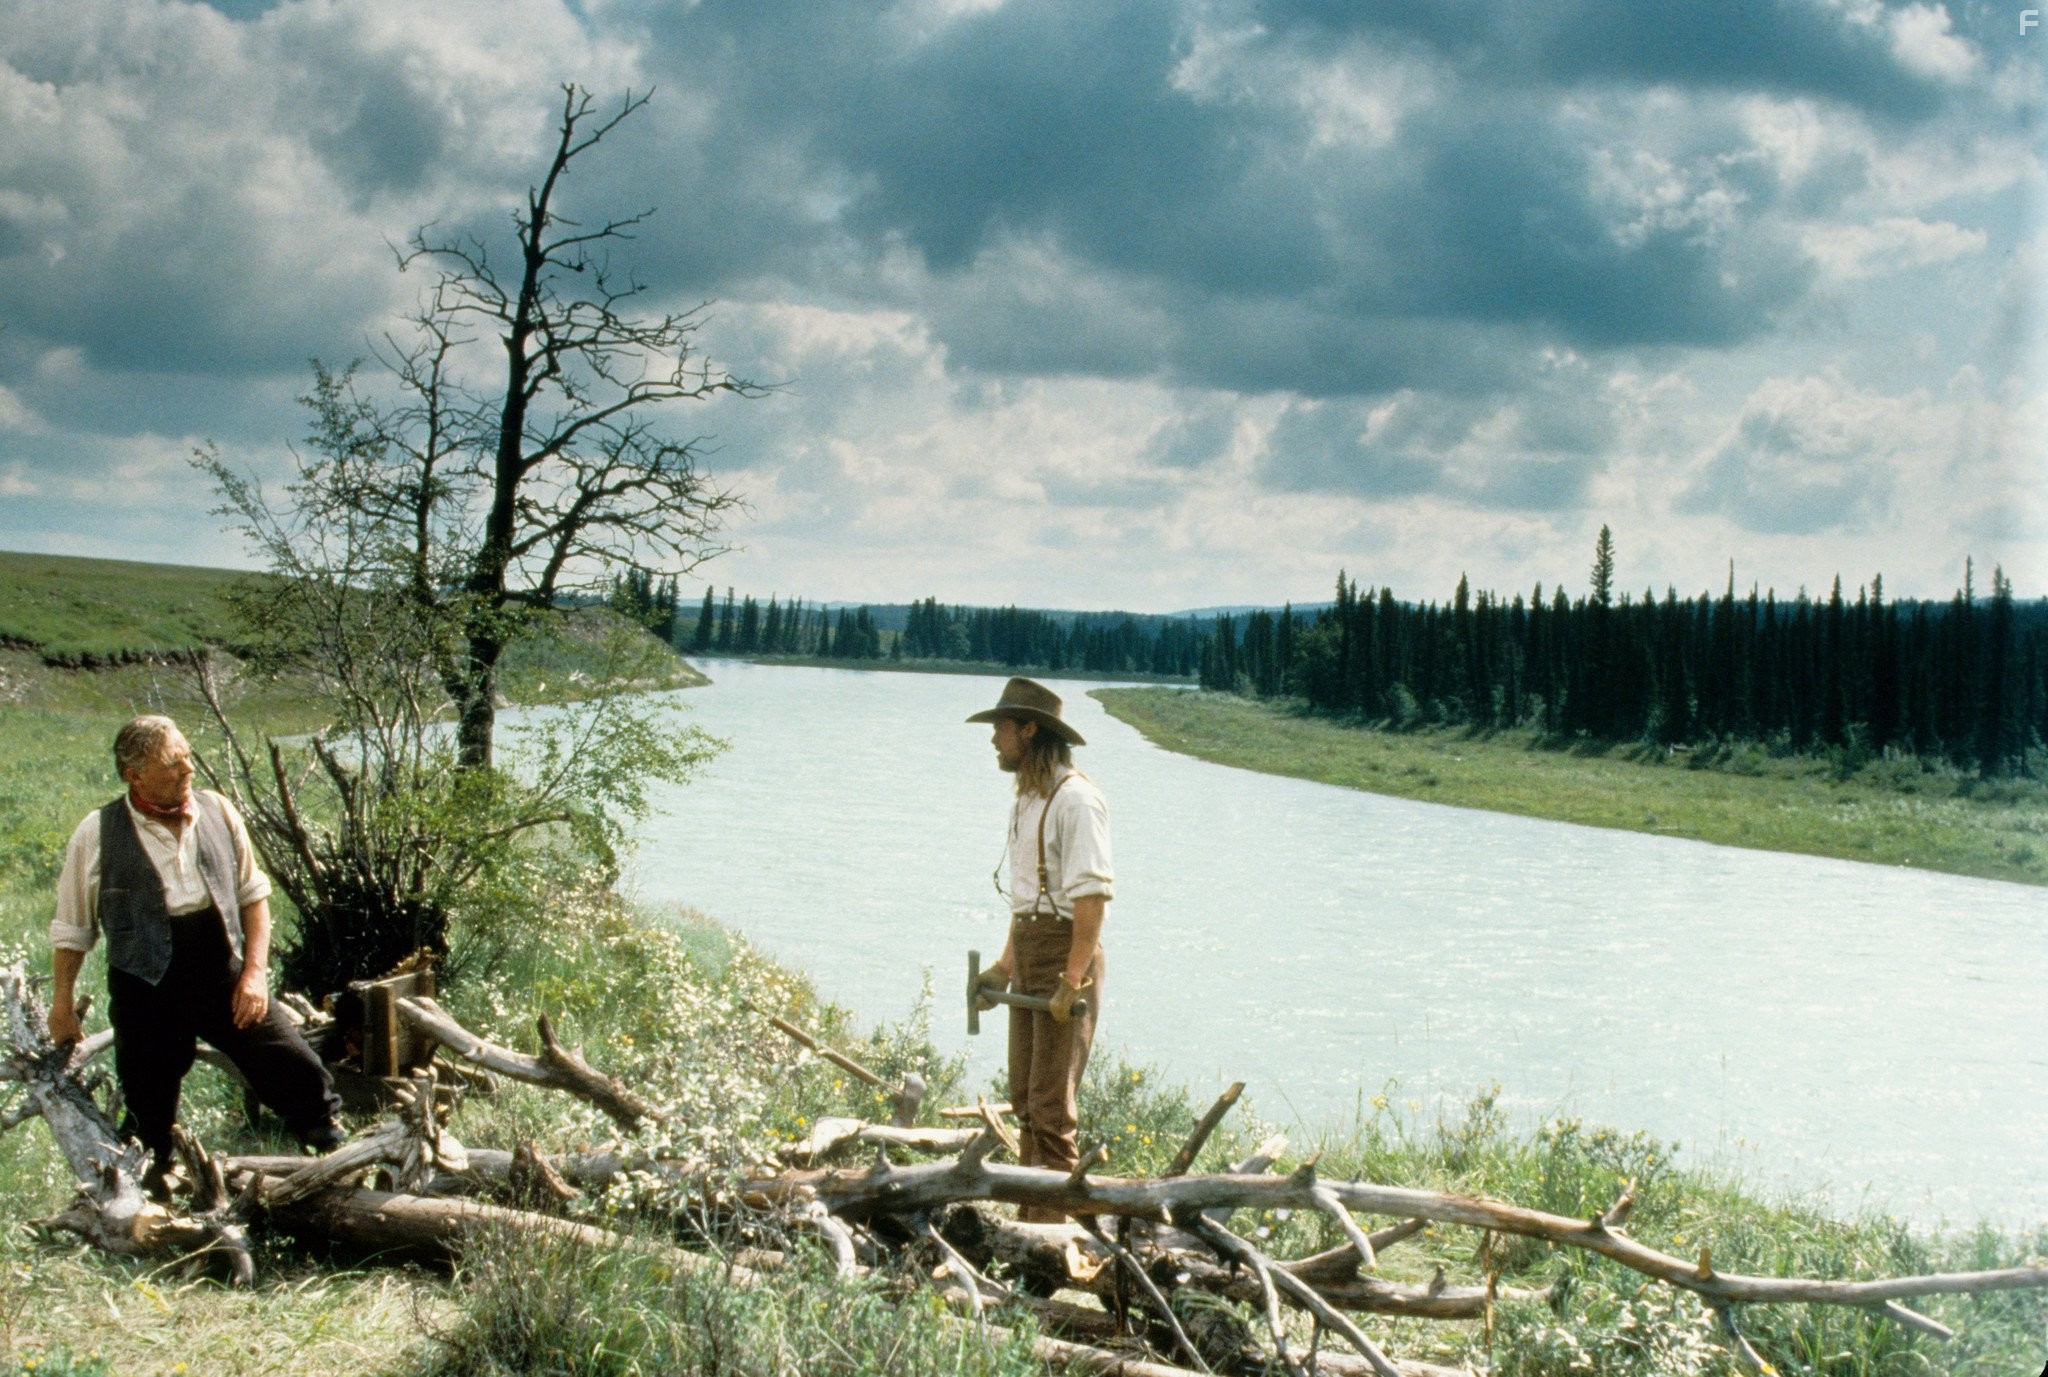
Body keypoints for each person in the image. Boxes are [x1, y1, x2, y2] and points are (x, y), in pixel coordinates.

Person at [47, 715, 344, 1191]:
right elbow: (72, 928)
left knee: (294, 1064)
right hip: (144, 983)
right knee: (148, 1104)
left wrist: (254, 974)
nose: (189, 768)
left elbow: (253, 896)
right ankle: (156, 1179)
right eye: (173, 762)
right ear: (134, 775)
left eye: (188, 754)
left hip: (219, 968)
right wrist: (62, 1002)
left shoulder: (218, 810)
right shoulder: (96, 832)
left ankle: (328, 1147)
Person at [966, 677, 1111, 1218]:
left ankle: (1055, 1238)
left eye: (1001, 728)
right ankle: (1030, 1224)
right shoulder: (1029, 798)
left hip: (1064, 957)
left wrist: (1072, 979)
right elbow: (1027, 901)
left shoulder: (1076, 800)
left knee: (1051, 1109)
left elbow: (1091, 899)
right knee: (1026, 1101)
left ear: (1029, 730)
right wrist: (1005, 967)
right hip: (1031, 949)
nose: (994, 740)